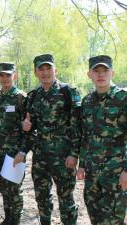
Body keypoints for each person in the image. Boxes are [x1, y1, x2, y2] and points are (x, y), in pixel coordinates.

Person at [22, 54, 81, 225]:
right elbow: (29, 123)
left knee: (66, 199)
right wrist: (25, 124)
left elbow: (77, 126)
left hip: (63, 157)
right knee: (41, 197)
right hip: (40, 157)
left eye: (49, 68)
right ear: (36, 72)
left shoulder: (68, 92)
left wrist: (74, 154)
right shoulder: (34, 96)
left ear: (55, 69)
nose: (45, 72)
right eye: (41, 69)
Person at [76, 55, 127, 225]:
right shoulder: (87, 101)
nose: (101, 74)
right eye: (96, 71)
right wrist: (82, 164)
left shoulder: (123, 99)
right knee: (95, 217)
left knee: (113, 220)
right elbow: (86, 136)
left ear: (112, 72)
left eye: (105, 70)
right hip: (92, 174)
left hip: (116, 173)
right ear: (89, 74)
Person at [0, 62, 27, 225]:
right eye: (1, 75)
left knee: (14, 190)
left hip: (14, 153)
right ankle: (8, 218)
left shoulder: (21, 97)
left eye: (8, 75)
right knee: (3, 188)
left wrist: (23, 151)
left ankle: (16, 220)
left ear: (15, 75)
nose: (5, 78)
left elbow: (29, 129)